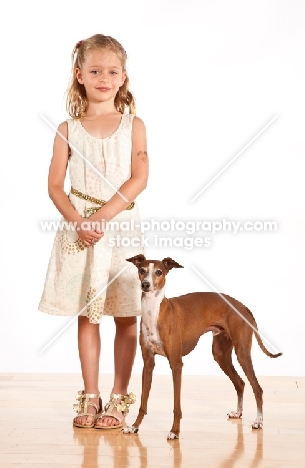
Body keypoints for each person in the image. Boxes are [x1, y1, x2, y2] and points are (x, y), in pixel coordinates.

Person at [38, 34, 148, 429]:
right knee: (89, 314)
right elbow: (54, 185)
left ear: (123, 77)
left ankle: (119, 396)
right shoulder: (68, 129)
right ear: (79, 74)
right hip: (82, 230)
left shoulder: (134, 126)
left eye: (112, 71)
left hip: (119, 230)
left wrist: (102, 217)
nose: (104, 77)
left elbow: (139, 178)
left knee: (126, 313)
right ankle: (90, 395)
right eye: (96, 70)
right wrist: (80, 221)